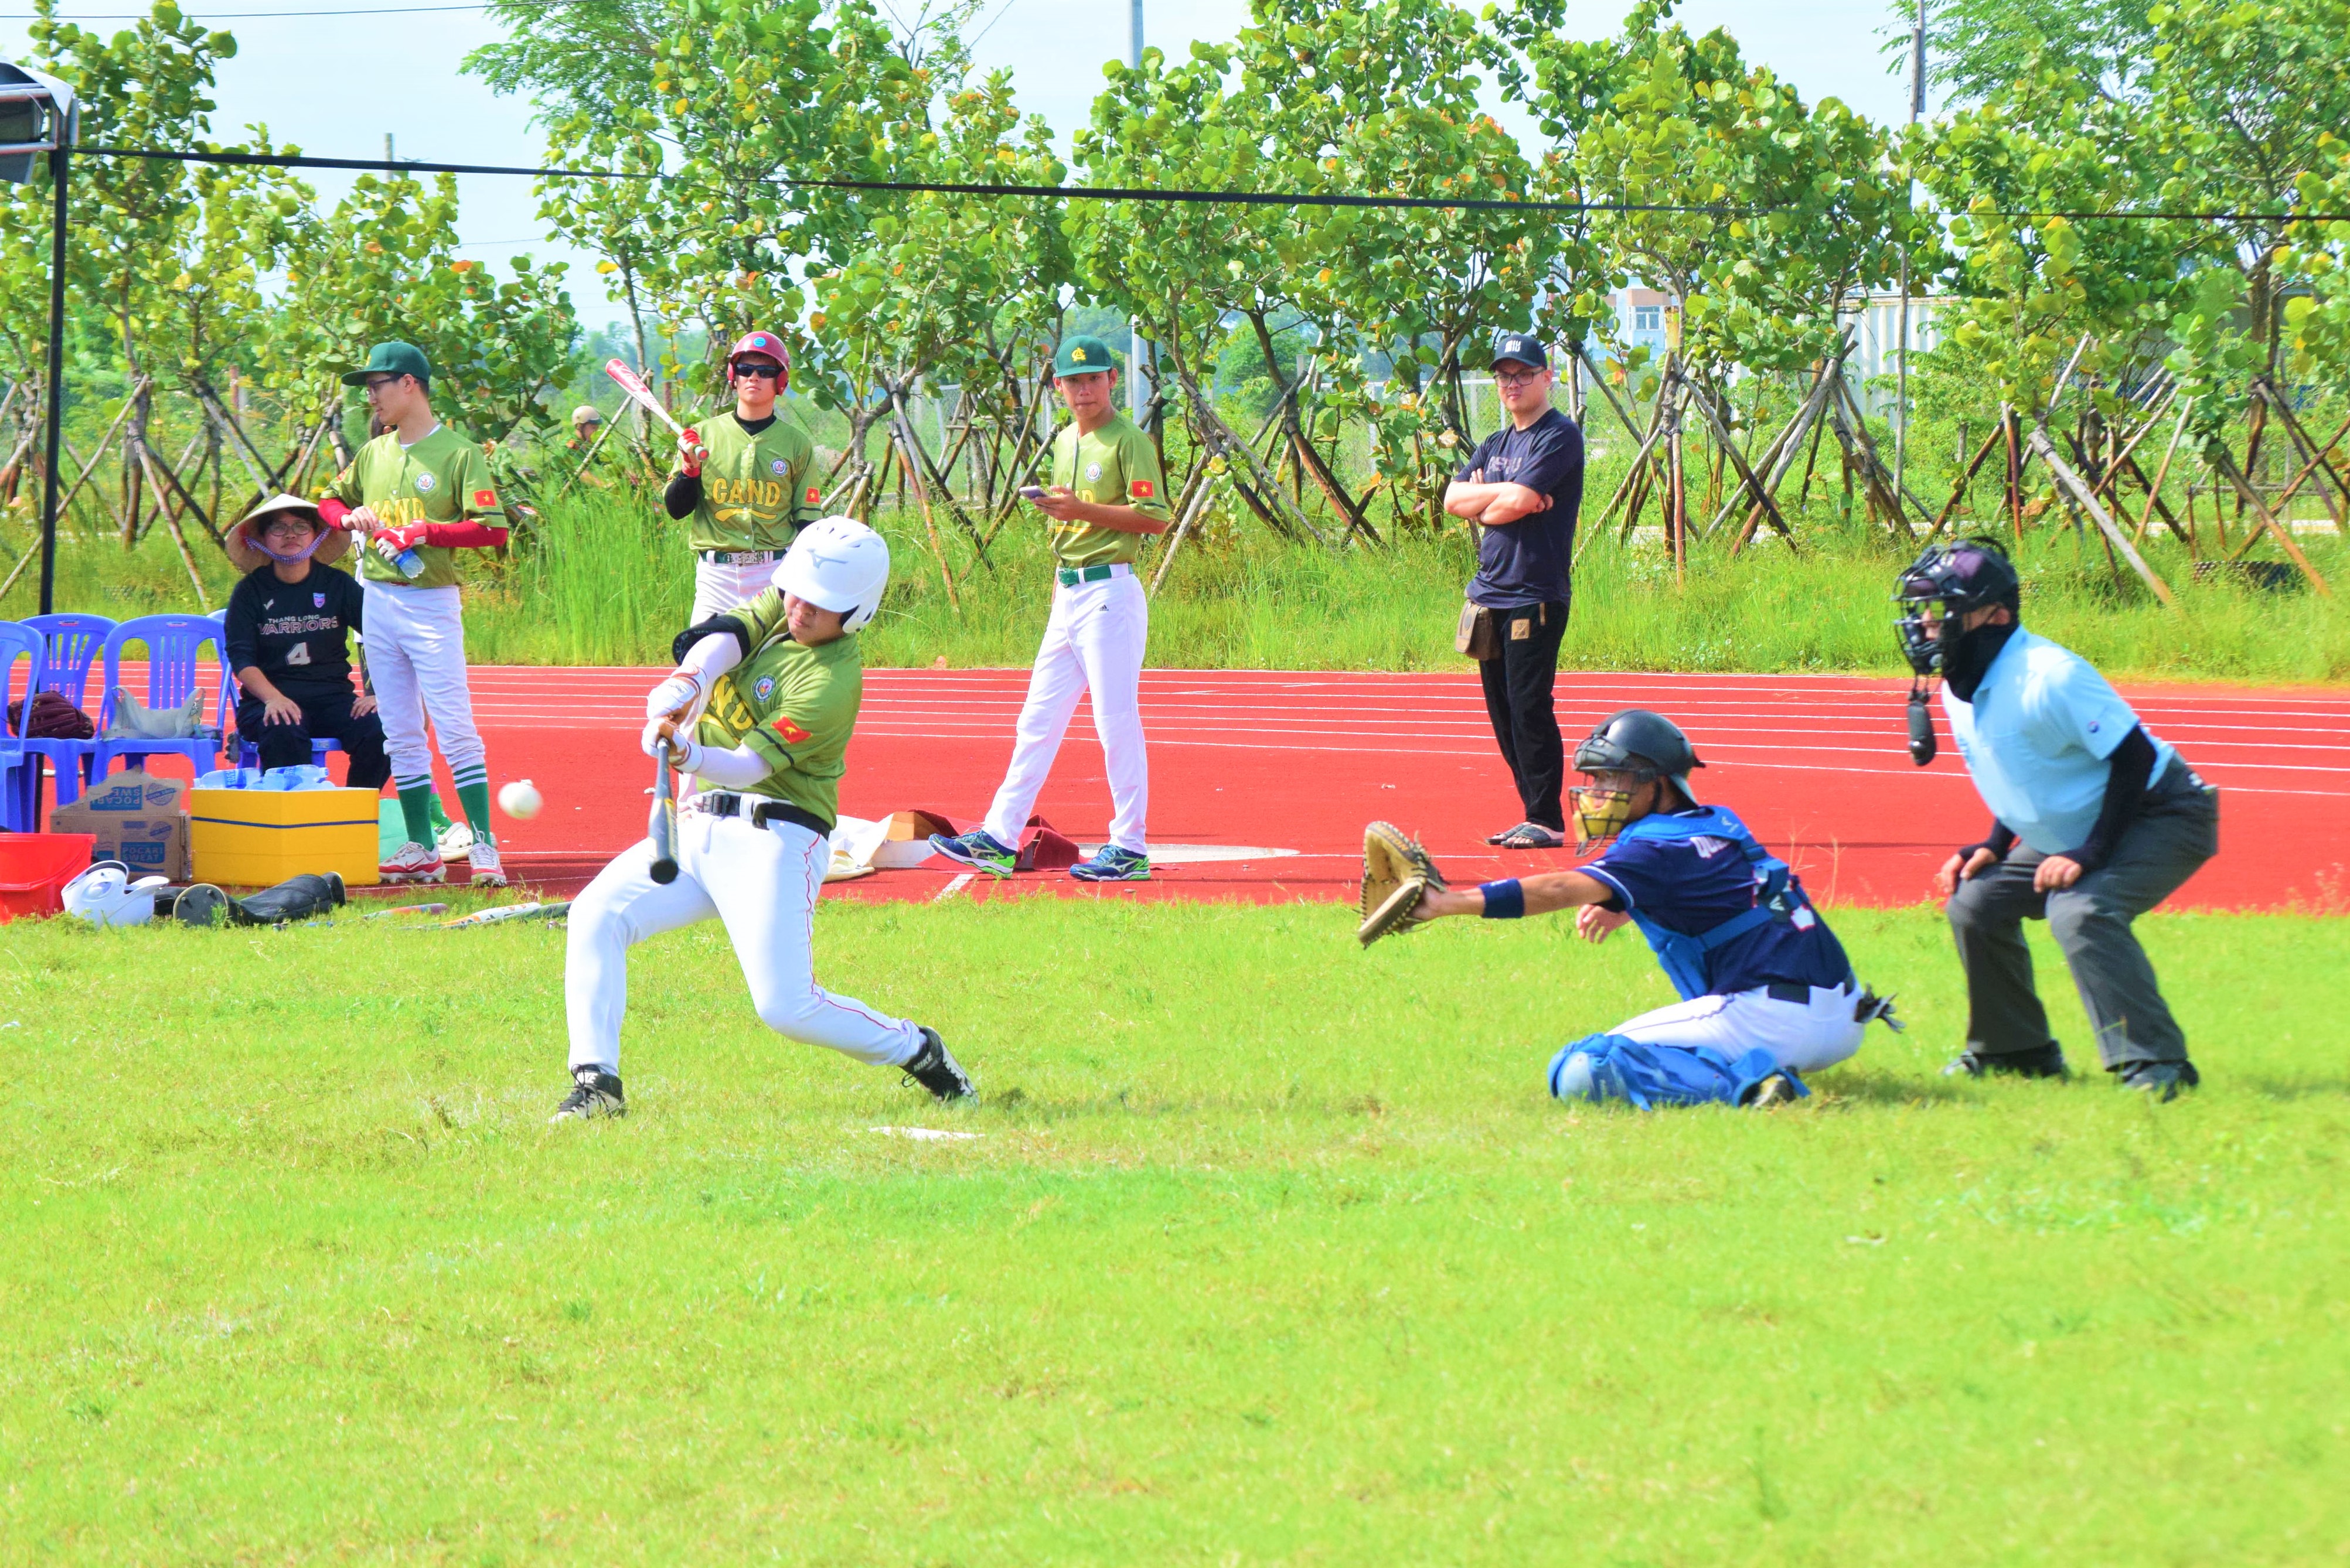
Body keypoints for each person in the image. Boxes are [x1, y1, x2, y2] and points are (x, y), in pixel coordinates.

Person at [554, 516, 974, 1120]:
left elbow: (749, 766)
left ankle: (917, 1049)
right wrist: (685, 681)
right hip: (699, 825)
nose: (799, 608)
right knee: (595, 914)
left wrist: (687, 752)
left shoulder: (833, 681)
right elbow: (726, 634)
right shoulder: (791, 599)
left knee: (786, 1007)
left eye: (819, 604)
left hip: (777, 838)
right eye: (796, 591)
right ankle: (598, 1084)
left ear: (855, 613)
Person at [1374, 710, 1893, 1109]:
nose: (1597, 793)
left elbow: (1557, 889)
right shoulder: (1718, 822)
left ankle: (1755, 1085)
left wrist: (1449, 903)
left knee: (1582, 1067)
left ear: (1656, 784)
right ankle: (1760, 1071)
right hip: (1844, 1016)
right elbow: (1720, 893)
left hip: (1773, 1018)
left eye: (1612, 779)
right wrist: (1622, 906)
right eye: (1596, 781)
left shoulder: (1653, 849)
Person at [1895, 539, 2219, 1099]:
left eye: (1942, 607)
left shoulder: (2050, 674)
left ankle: (2157, 1065)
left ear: (1995, 615)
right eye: (1923, 606)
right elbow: (2017, 768)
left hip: (2163, 810)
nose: (1926, 621)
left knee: (2081, 909)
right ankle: (2016, 1051)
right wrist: (1995, 843)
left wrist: (2088, 855)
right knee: (1975, 902)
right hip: (2080, 823)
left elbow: (2134, 758)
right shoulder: (1962, 677)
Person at [927, 333, 1170, 882]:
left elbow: (1156, 518)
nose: (1084, 390)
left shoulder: (1128, 439)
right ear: (1058, 387)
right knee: (1036, 720)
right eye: (1073, 381)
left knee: (1115, 723)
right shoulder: (1063, 440)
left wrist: (1080, 508)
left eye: (1094, 378)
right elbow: (1075, 518)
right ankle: (999, 836)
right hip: (1069, 591)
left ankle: (1129, 845)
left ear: (1112, 380)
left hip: (1111, 590)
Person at [316, 340, 510, 887]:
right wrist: (346, 515)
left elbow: (492, 527)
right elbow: (327, 502)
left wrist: (425, 530)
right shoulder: (374, 452)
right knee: (399, 730)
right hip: (378, 602)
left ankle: (484, 847)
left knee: (454, 728)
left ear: (410, 384)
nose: (370, 398)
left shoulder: (459, 452)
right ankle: (422, 847)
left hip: (430, 604)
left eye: (377, 386)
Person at [1442, 332, 1585, 851]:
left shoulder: (1559, 436)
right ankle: (1531, 813)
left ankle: (1546, 819)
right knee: (1502, 711)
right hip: (1488, 596)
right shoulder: (1496, 444)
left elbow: (1518, 500)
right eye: (1505, 375)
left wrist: (1496, 501)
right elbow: (1453, 499)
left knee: (1529, 705)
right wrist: (1500, 499)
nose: (1513, 384)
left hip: (1535, 593)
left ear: (1547, 378)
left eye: (1524, 374)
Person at [220, 495, 391, 789]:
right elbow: (241, 659)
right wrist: (273, 698)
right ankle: (297, 815)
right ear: (260, 538)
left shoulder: (337, 585)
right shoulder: (250, 591)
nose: (290, 535)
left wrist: (380, 694)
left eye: (301, 527)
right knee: (283, 727)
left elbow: (384, 639)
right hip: (268, 701)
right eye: (278, 528)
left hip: (333, 699)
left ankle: (354, 810)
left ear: (318, 534)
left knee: (384, 730)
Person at [665, 330, 823, 622]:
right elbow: (676, 510)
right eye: (745, 369)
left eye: (765, 371)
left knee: (772, 663)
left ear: (780, 382)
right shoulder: (702, 436)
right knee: (699, 659)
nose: (754, 377)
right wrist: (689, 471)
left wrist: (805, 583)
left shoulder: (796, 444)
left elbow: (807, 523)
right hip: (716, 576)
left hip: (772, 574)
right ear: (733, 377)